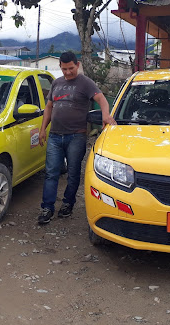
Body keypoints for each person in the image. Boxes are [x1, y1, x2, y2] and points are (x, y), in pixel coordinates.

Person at [37, 51, 116, 225]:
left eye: (70, 68)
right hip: (55, 136)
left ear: (77, 65)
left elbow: (102, 100)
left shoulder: (85, 83)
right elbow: (49, 107)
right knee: (51, 173)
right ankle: (47, 207)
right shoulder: (56, 83)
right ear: (60, 67)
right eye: (64, 69)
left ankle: (67, 203)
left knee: (73, 173)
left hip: (76, 136)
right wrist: (43, 129)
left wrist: (105, 116)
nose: (67, 72)